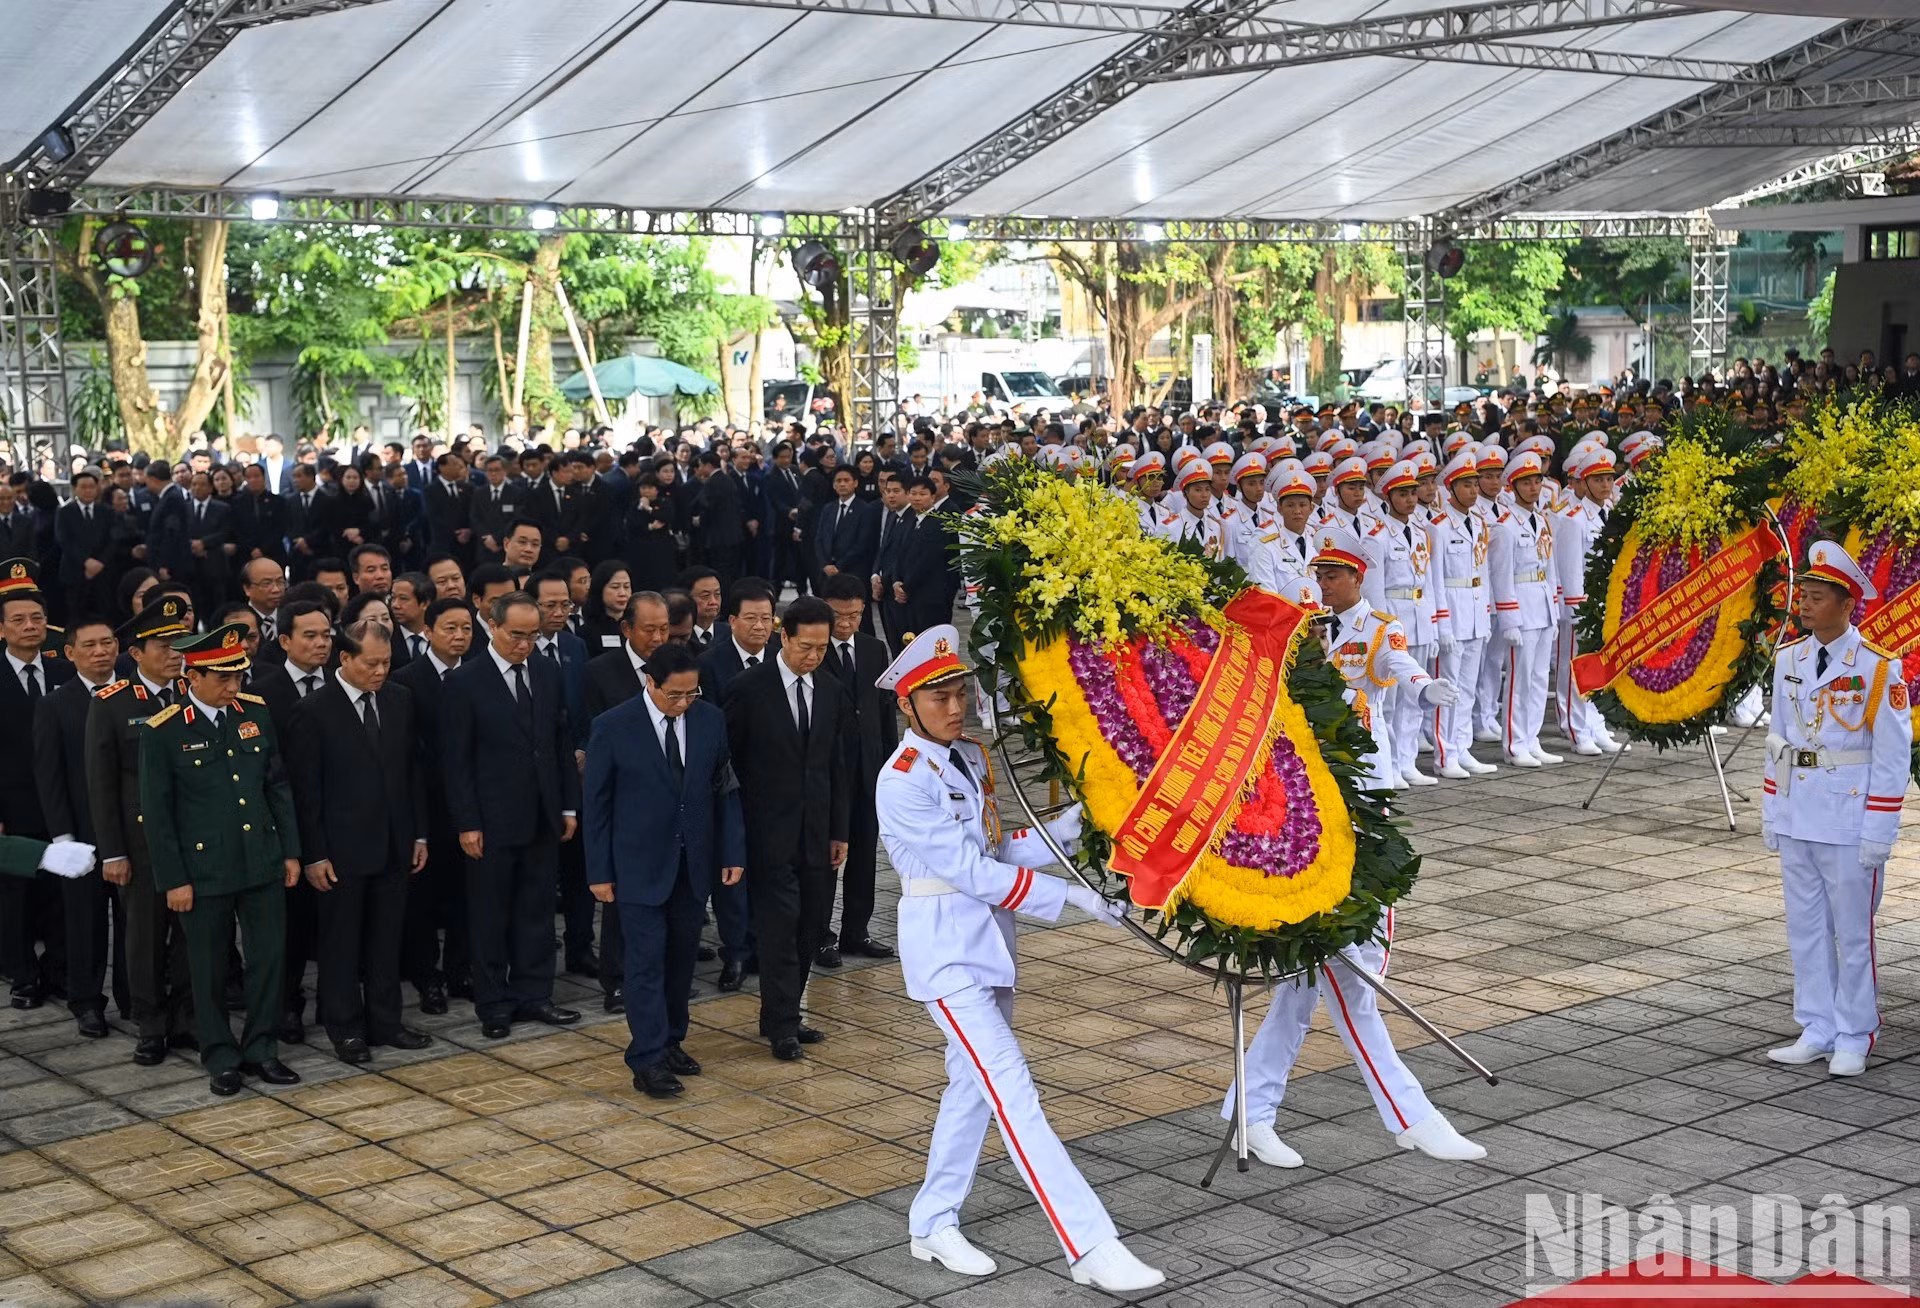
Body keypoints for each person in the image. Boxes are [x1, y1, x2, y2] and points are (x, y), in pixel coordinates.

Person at [873, 624, 1163, 1294]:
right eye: (938, 696)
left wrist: (1077, 827)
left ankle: (932, 1220)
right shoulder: (904, 779)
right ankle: (1090, 1245)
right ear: (907, 706)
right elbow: (968, 872)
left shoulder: (967, 759)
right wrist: (1075, 900)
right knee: (1013, 1093)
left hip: (988, 948)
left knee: (972, 1091)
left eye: (959, 691)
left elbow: (999, 850)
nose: (955, 706)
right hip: (946, 955)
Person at [1762, 540, 1911, 1078]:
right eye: (1803, 594)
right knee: (1804, 927)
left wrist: (1880, 830)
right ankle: (1817, 1024)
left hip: (1849, 821)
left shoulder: (1876, 668)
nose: (1804, 604)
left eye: (1818, 596)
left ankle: (1856, 1030)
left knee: (1852, 933)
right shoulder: (1790, 659)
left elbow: (1893, 757)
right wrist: (1771, 808)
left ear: (1848, 605)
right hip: (1800, 812)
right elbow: (1778, 739)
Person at [138, 622, 303, 1097]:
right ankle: (220, 1054)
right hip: (203, 871)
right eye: (223, 679)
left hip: (261, 861)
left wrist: (289, 851)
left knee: (268, 959)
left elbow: (276, 787)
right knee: (207, 967)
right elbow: (158, 813)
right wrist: (174, 879)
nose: (234, 687)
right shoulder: (164, 731)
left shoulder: (254, 714)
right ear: (191, 678)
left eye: (238, 677)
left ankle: (262, 1048)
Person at [584, 642, 745, 1097]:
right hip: (635, 866)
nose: (684, 703)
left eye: (692, 693)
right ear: (649, 683)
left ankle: (673, 1039)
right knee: (644, 964)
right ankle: (647, 1058)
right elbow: (596, 807)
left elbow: (725, 790)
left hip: (692, 863)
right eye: (675, 694)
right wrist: (599, 871)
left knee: (680, 960)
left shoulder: (709, 719)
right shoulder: (612, 727)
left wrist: (731, 853)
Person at [287, 619, 432, 1066]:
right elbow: (306, 791)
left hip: (394, 843)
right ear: (344, 658)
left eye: (387, 662)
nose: (380, 671)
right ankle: (344, 1026)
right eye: (371, 663)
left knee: (387, 939)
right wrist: (314, 853)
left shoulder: (400, 699)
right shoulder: (313, 710)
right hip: (341, 851)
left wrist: (418, 833)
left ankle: (386, 1021)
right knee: (341, 943)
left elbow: (412, 773)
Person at [442, 591, 581, 1039]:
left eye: (533, 636)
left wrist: (567, 805)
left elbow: (559, 742)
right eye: (517, 636)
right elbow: (456, 761)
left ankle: (535, 994)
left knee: (537, 910)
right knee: (489, 914)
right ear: (494, 628)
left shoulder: (546, 669)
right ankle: (494, 1002)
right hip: (491, 819)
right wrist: (467, 823)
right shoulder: (466, 681)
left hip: (542, 813)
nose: (525, 645)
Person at [721, 596, 848, 1059]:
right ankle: (782, 1024)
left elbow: (835, 765)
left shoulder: (832, 690)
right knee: (778, 929)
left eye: (821, 648)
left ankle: (785, 1010)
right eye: (805, 647)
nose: (813, 656)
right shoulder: (748, 688)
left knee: (811, 928)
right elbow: (728, 764)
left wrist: (839, 830)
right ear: (784, 636)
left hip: (817, 833)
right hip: (766, 832)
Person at [35, 614, 125, 1038]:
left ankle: (134, 997)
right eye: (89, 646)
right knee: (85, 922)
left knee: (134, 923)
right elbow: (49, 776)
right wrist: (63, 838)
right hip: (82, 836)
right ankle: (87, 1001)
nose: (101, 652)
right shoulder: (55, 704)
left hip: (129, 832)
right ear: (70, 653)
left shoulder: (134, 694)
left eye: (107, 643)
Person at [393, 597, 474, 1014]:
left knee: (467, 896)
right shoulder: (406, 680)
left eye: (466, 628)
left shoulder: (479, 674)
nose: (459, 636)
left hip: (472, 807)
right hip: (426, 806)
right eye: (450, 628)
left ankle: (462, 970)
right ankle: (427, 978)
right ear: (428, 631)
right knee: (423, 899)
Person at [0, 559, 72, 1007]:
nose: (30, 626)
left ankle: (60, 971)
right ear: (3, 628)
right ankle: (22, 973)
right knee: (15, 896)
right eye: (19, 620)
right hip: (13, 806)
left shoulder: (65, 672)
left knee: (61, 892)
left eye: (38, 618)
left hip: (62, 804)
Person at [815, 574, 896, 966]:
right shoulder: (813, 652)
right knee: (828, 858)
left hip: (869, 770)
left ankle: (856, 931)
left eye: (854, 616)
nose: (846, 624)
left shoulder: (874, 650)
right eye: (837, 616)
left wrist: (891, 766)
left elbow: (882, 712)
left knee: (865, 857)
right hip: (831, 774)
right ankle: (820, 935)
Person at [1487, 453, 1561, 768]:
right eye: (1526, 483)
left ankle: (1532, 738)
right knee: (1519, 678)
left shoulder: (1542, 520)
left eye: (1537, 481)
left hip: (1542, 603)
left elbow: (1551, 566)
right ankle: (1515, 744)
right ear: (1513, 486)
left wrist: (1555, 610)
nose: (1534, 488)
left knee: (1540, 677)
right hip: (1521, 604)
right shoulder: (1505, 526)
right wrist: (1509, 619)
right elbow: (1500, 575)